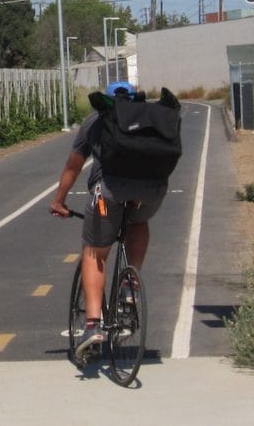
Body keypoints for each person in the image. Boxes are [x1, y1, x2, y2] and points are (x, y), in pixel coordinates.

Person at [49, 80, 172, 365]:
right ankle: (130, 286)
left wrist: (59, 201)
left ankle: (92, 325)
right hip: (152, 191)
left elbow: (73, 166)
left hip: (108, 193)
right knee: (138, 223)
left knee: (95, 251)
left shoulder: (95, 121)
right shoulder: (149, 117)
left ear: (106, 100)